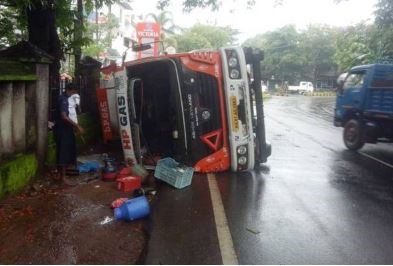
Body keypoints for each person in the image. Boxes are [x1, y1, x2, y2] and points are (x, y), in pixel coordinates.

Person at [53, 83, 84, 183]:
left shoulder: (68, 99)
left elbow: (75, 112)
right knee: (63, 152)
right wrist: (77, 126)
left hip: (66, 128)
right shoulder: (63, 99)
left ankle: (61, 174)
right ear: (70, 90)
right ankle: (63, 177)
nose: (74, 94)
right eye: (73, 92)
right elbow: (64, 116)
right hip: (62, 129)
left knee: (66, 150)